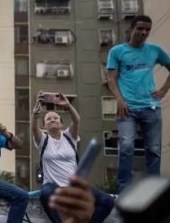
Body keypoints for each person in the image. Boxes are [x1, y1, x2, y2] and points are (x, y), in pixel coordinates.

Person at [106, 14, 170, 192]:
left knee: (153, 150)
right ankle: (124, 189)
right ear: (131, 30)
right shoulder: (117, 51)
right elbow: (111, 79)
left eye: (147, 30)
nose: (143, 32)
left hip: (151, 108)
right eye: (140, 29)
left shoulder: (155, 50)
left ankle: (153, 191)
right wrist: (120, 101)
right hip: (127, 108)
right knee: (127, 146)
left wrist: (164, 90)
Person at [31, 92, 114, 223]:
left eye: (55, 118)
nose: (52, 120)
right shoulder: (43, 141)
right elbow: (34, 128)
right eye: (48, 119)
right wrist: (36, 111)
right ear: (45, 126)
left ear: (61, 123)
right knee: (45, 194)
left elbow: (77, 120)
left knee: (107, 201)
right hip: (53, 186)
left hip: (73, 186)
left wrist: (68, 105)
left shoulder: (69, 137)